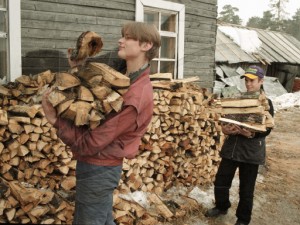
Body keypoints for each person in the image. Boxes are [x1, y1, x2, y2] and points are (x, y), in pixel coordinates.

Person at [42, 22, 161, 225]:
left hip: (99, 168)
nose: (120, 41)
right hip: (97, 166)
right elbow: (96, 94)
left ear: (146, 45)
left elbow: (91, 143)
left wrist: (55, 120)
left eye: (128, 37)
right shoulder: (123, 77)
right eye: (122, 36)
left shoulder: (136, 95)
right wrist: (79, 65)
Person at [205, 65, 274, 225]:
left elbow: (268, 128)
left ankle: (243, 219)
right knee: (221, 181)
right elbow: (226, 118)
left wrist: (252, 133)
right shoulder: (236, 98)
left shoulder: (266, 101)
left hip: (251, 152)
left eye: (252, 81)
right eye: (246, 80)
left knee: (246, 189)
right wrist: (225, 129)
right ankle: (222, 206)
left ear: (261, 81)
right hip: (232, 148)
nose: (248, 84)